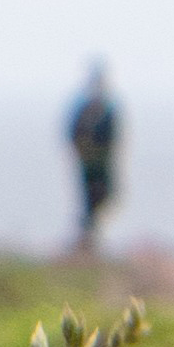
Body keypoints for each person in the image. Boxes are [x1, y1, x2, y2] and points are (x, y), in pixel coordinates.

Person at [66, 60, 123, 252]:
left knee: (106, 196)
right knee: (90, 199)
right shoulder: (82, 107)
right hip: (88, 162)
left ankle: (89, 235)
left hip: (103, 162)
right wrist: (82, 151)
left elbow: (114, 134)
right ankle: (86, 239)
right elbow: (72, 133)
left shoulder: (108, 108)